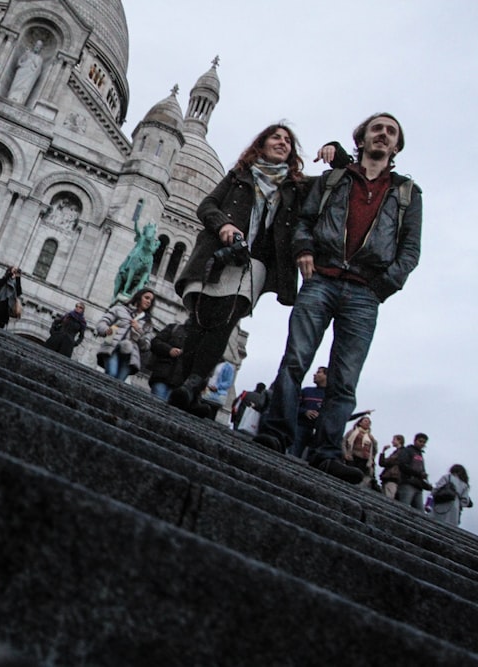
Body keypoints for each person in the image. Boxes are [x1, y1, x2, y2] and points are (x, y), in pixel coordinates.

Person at [254, 113, 422, 483]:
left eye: (391, 132)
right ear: (361, 139)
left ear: (396, 147)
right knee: (296, 360)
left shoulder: (408, 193)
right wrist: (303, 250)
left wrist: (382, 287)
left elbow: (410, 251)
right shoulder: (335, 178)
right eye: (376, 129)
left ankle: (327, 452)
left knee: (344, 379)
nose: (383, 135)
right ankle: (277, 432)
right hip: (321, 279)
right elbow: (304, 220)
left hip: (365, 293)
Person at [169, 124, 316, 414]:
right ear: (261, 145)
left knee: (224, 321)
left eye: (288, 141)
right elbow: (207, 205)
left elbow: (330, 184)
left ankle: (192, 385)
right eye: (276, 137)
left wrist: (335, 152)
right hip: (218, 254)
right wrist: (223, 224)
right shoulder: (238, 176)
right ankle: (187, 388)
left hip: (255, 263)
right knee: (199, 321)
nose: (283, 142)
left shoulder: (297, 187)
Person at [94, 289, 154, 382]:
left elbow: (146, 346)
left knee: (120, 381)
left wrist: (139, 330)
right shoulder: (120, 309)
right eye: (146, 298)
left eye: (151, 300)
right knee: (111, 373)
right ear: (139, 297)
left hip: (131, 355)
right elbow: (102, 322)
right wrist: (107, 331)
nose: (149, 301)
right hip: (112, 346)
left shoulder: (148, 323)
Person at [287, 366, 327, 459]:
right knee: (293, 454)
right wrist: (305, 412)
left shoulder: (332, 397)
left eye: (319, 372)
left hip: (319, 432)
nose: (315, 374)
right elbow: (293, 406)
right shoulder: (306, 391)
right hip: (301, 427)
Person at [147, 322, 187, 401]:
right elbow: (155, 342)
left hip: (180, 383)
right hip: (162, 375)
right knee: (156, 403)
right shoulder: (174, 327)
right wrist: (169, 350)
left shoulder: (200, 339)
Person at [394, 433, 432, 510]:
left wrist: (425, 483)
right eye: (420, 441)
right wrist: (419, 474)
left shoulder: (420, 455)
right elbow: (403, 465)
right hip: (407, 483)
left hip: (418, 485)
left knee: (420, 511)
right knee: (404, 507)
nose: (422, 444)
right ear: (415, 441)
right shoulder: (407, 450)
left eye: (424, 442)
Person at [342, 415, 378, 489]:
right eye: (365, 421)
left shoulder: (370, 436)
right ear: (360, 423)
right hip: (353, 457)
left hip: (364, 460)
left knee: (361, 477)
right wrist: (345, 453)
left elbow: (374, 449)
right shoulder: (352, 432)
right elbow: (344, 442)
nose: (367, 423)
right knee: (350, 474)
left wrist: (371, 458)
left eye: (369, 422)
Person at [377, 434, 405, 499]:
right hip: (388, 478)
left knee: (388, 497)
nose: (392, 441)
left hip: (392, 478)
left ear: (399, 441)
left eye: (394, 440)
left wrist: (383, 453)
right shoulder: (396, 452)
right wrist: (383, 452)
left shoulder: (401, 452)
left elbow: (386, 462)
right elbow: (382, 463)